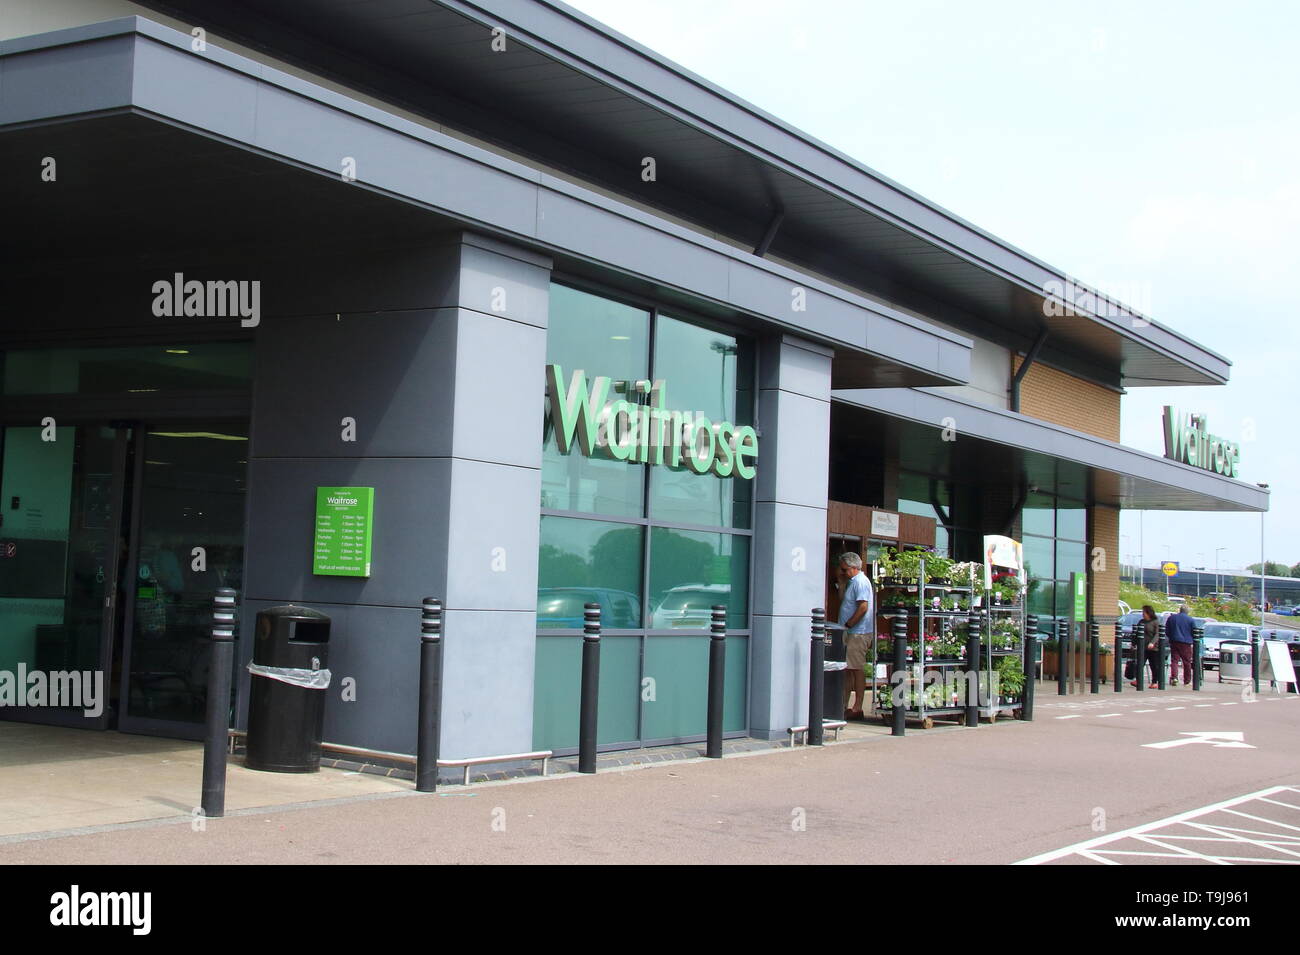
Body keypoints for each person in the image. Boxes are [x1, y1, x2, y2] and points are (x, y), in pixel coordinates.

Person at [836, 552, 874, 720]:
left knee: (856, 668)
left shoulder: (861, 582)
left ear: (853, 568)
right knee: (848, 669)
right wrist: (842, 582)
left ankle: (857, 706)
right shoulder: (852, 582)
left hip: (858, 632)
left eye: (844, 569)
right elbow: (844, 600)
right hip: (851, 631)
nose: (842, 572)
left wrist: (850, 623)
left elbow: (863, 606)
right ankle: (844, 704)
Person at [1130, 605, 1159, 688]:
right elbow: (1136, 634)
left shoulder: (1155, 622)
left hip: (1153, 648)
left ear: (1148, 613)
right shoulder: (1141, 622)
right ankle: (1138, 680)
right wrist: (1133, 643)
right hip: (1142, 647)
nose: (1143, 614)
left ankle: (1154, 682)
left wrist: (1152, 643)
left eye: (1144, 612)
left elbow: (1157, 634)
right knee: (1140, 663)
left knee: (1153, 665)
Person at [1165, 604, 1195, 685]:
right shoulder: (1190, 620)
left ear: (1180, 610)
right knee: (1187, 662)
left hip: (1174, 641)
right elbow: (1194, 632)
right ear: (1187, 611)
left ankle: (1174, 677)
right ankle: (1187, 680)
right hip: (1186, 643)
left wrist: (1171, 637)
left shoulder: (1172, 618)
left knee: (1174, 660)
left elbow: (1167, 630)